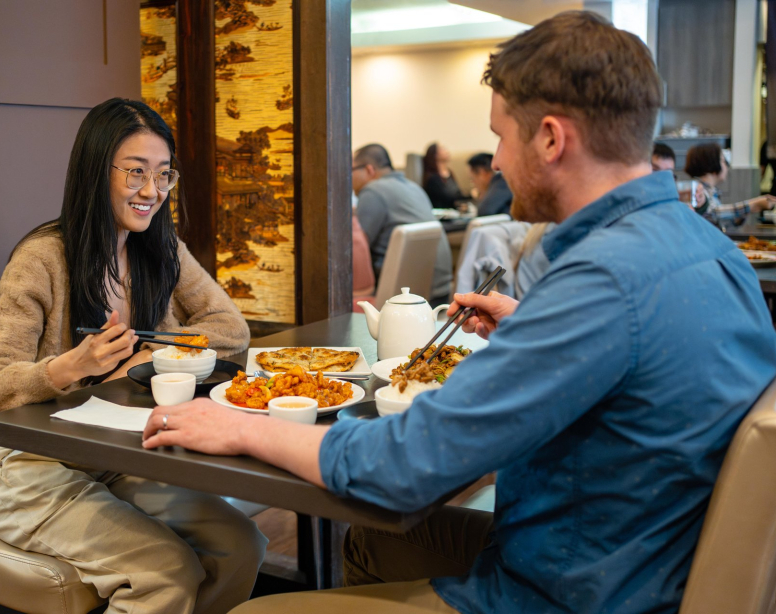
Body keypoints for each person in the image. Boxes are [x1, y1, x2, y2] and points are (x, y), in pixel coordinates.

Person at [142, 11, 776, 614]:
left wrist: (240, 427)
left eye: (500, 135)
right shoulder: (711, 250)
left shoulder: (602, 282)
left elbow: (403, 467)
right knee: (372, 542)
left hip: (563, 589)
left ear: (551, 138)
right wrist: (533, 331)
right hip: (637, 557)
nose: (495, 160)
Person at [0, 98, 267, 614]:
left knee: (241, 547)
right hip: (32, 470)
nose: (152, 191)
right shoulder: (42, 258)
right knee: (165, 572)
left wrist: (144, 356)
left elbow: (230, 329)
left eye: (163, 174)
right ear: (95, 170)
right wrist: (67, 368)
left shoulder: (160, 249)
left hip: (118, 459)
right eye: (136, 172)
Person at [352, 143, 453, 304]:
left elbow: (357, 251)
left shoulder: (372, 191)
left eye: (351, 170)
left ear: (369, 170)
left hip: (400, 298)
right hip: (439, 291)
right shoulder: (414, 187)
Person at [684, 142, 775, 226]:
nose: (727, 166)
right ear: (712, 163)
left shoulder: (712, 191)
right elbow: (711, 215)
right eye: (723, 161)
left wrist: (744, 213)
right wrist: (752, 205)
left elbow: (722, 222)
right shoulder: (698, 190)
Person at [422, 142, 467, 209]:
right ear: (435, 154)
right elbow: (446, 198)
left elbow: (458, 193)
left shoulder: (450, 173)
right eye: (442, 149)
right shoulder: (433, 178)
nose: (446, 150)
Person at [468, 152, 513, 216]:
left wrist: (483, 196)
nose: (473, 183)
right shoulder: (501, 182)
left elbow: (484, 212)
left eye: (472, 179)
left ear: (482, 173)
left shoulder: (501, 184)